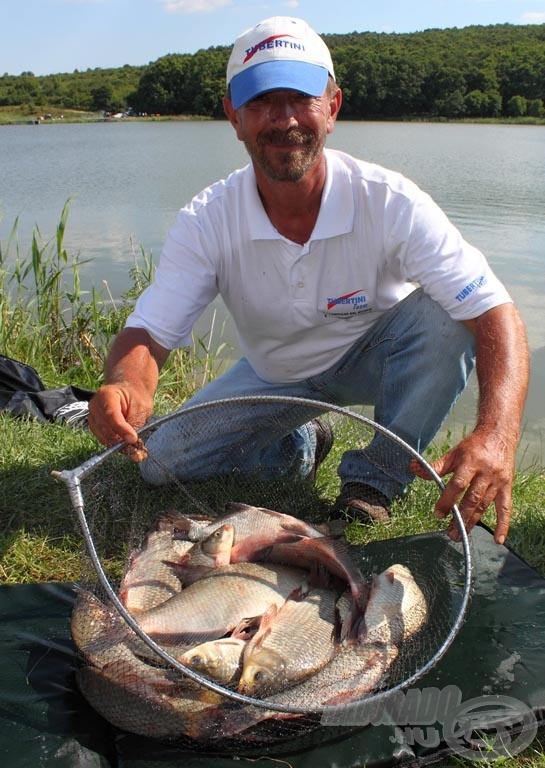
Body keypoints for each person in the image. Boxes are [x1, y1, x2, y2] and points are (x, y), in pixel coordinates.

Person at [88, 16, 529, 546]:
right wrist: (128, 384)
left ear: (333, 107)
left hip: (377, 355)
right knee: (159, 464)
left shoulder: (390, 200)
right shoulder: (207, 219)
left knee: (449, 320)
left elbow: (494, 311)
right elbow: (149, 334)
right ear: (233, 116)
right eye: (261, 102)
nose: (284, 119)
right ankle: (301, 441)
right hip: (276, 372)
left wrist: (497, 434)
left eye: (300, 97)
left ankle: (374, 482)